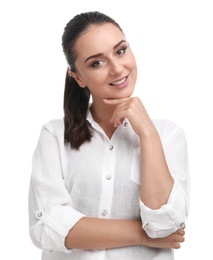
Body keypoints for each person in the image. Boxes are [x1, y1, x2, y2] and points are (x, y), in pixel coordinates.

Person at [28, 11, 190, 260]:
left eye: (120, 51)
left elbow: (165, 225)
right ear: (78, 77)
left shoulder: (168, 136)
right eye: (97, 62)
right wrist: (142, 235)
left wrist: (147, 133)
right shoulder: (55, 136)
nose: (117, 68)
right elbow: (47, 228)